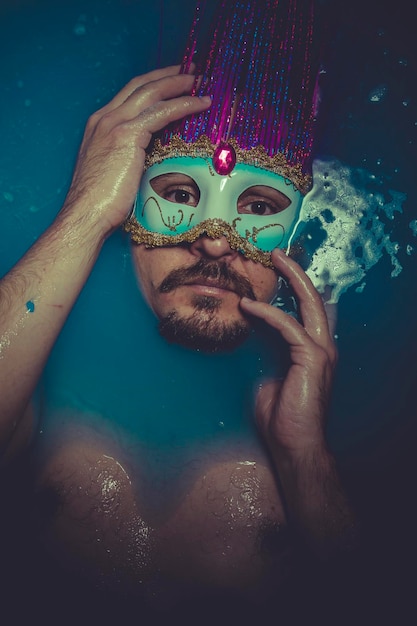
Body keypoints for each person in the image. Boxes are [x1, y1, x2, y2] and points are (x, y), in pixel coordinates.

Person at [0, 1, 358, 621]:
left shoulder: (354, 425)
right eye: (179, 194)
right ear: (125, 212)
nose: (215, 239)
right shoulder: (41, 381)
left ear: (299, 237)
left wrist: (306, 461)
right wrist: (85, 213)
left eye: (260, 206)